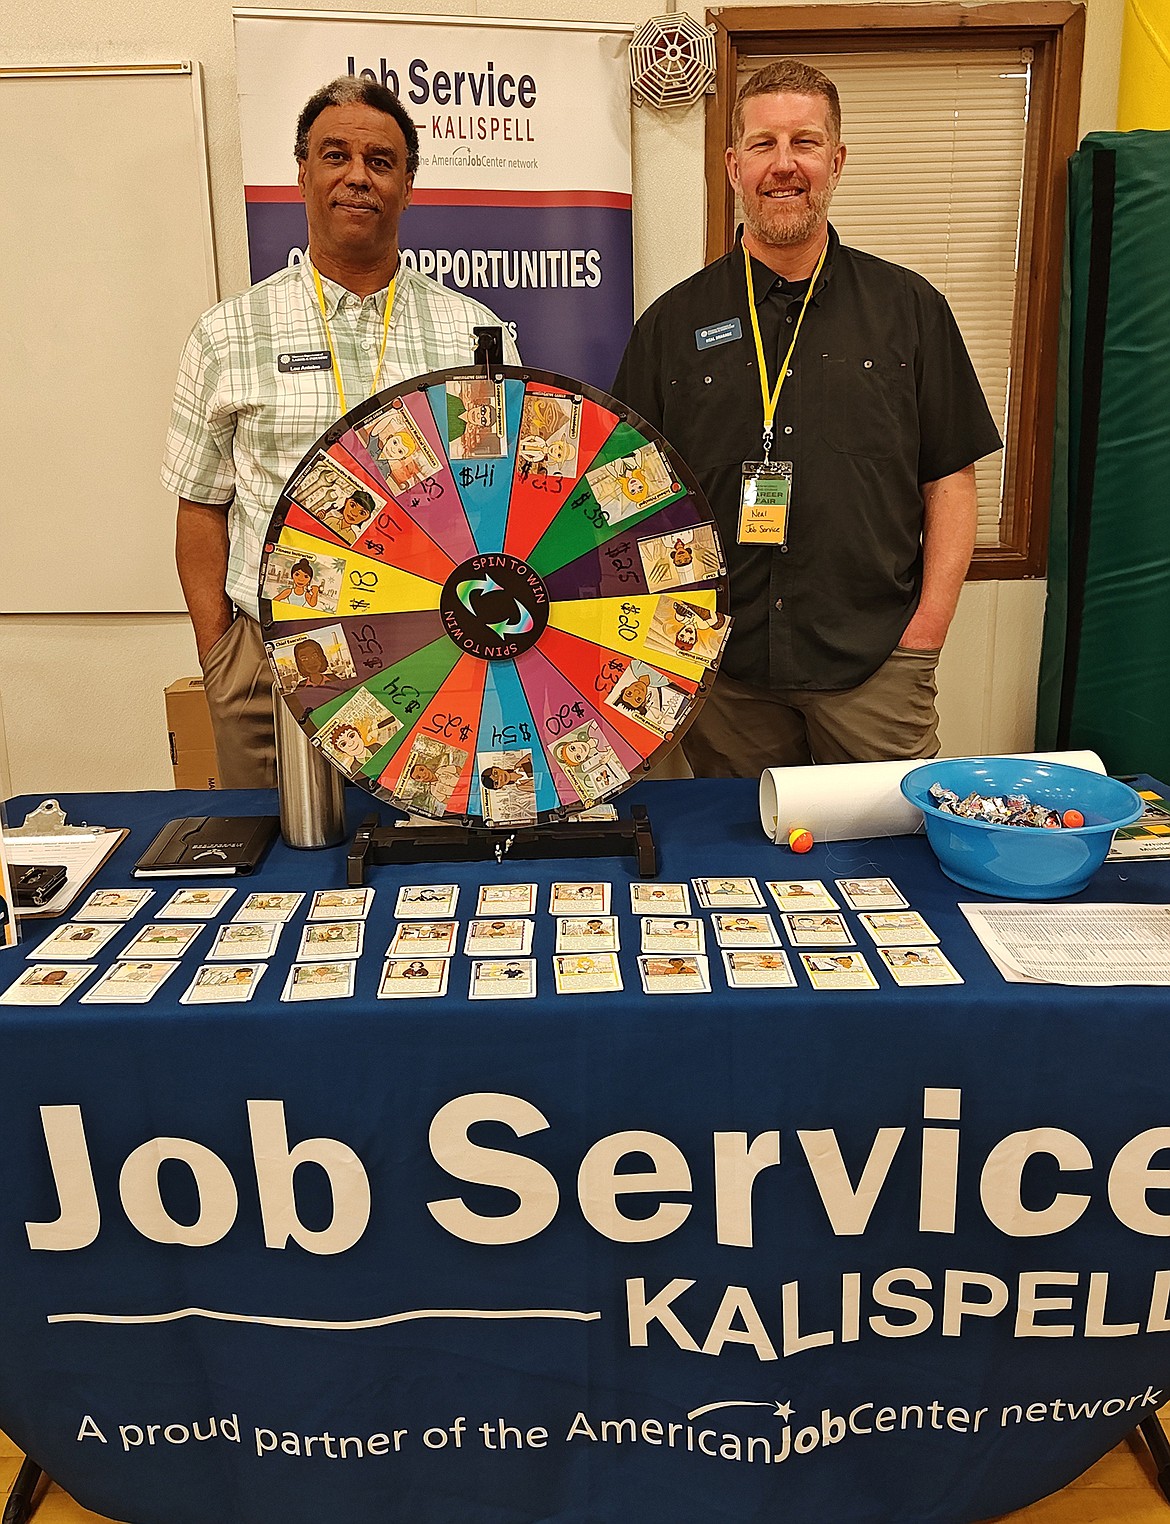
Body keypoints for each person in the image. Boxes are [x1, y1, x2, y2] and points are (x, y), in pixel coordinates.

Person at [612, 59, 1002, 776]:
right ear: (733, 166)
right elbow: (630, 498)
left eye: (806, 143)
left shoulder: (911, 312)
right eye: (763, 145)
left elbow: (950, 481)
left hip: (877, 666)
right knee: (743, 869)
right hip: (724, 679)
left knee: (890, 869)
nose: (783, 166)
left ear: (837, 160)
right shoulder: (671, 325)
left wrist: (926, 635)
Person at [163, 76, 520, 787]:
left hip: (438, 659)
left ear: (408, 184)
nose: (358, 176)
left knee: (428, 876)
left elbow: (508, 505)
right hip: (274, 666)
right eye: (335, 156)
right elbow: (201, 505)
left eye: (381, 161)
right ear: (303, 172)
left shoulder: (473, 332)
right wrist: (220, 653)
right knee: (281, 876)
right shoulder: (227, 334)